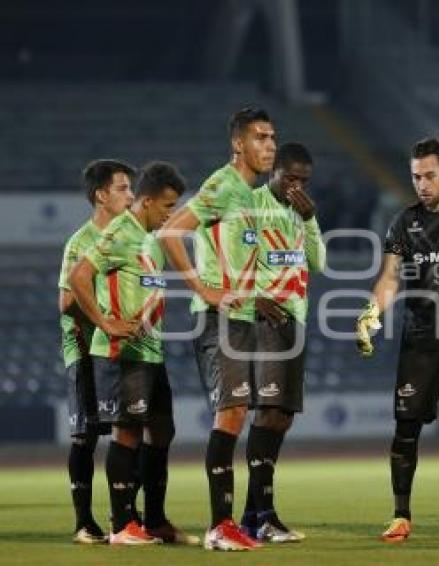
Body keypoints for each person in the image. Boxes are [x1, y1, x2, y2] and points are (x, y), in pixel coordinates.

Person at [356, 138, 439, 543]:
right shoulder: (404, 222)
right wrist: (371, 312)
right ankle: (401, 515)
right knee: (406, 428)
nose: (422, 183)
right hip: (421, 341)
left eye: (430, 175)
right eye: (416, 176)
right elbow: (390, 278)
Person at [158, 106, 276, 551]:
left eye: (272, 138)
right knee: (229, 413)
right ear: (238, 144)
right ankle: (219, 527)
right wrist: (204, 291)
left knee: (237, 414)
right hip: (219, 320)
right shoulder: (223, 185)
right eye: (260, 137)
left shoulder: (250, 196)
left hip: (243, 319)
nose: (269, 146)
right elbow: (171, 232)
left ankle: (227, 525)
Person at [69, 161, 194, 545]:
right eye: (166, 207)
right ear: (145, 201)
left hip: (150, 353)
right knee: (127, 433)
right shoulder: (121, 231)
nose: (170, 214)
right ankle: (123, 525)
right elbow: (78, 277)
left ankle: (154, 519)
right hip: (121, 353)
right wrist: (106, 324)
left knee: (162, 431)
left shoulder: (151, 239)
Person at [239, 142, 324, 543]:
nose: (296, 186)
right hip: (265, 321)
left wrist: (309, 219)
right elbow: (230, 259)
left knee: (283, 417)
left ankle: (252, 515)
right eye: (290, 178)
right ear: (273, 172)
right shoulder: (251, 205)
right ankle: (264, 515)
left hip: (296, 320)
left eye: (303, 181)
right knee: (269, 413)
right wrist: (253, 296)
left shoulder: (300, 212)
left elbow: (319, 262)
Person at [58, 159, 135, 543]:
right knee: (85, 437)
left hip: (122, 351)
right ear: (101, 195)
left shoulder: (131, 237)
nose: (131, 195)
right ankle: (83, 522)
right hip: (87, 350)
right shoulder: (81, 242)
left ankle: (124, 515)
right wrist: (105, 314)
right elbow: (65, 302)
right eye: (123, 188)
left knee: (127, 432)